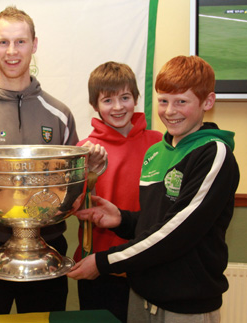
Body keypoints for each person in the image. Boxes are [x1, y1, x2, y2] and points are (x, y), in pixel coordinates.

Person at [0, 6, 106, 316]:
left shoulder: (59, 114)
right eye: (3, 42)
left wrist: (92, 170)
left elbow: (72, 185)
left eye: (20, 42)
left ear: (34, 45)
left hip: (48, 247)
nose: (12, 52)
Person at [67, 55, 240, 323]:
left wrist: (104, 262)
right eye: (164, 101)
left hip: (184, 303)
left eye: (181, 101)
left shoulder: (213, 152)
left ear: (207, 102)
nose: (171, 111)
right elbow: (154, 220)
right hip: (143, 294)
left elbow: (176, 232)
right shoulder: (157, 152)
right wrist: (121, 219)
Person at [73, 62, 162, 322]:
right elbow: (74, 208)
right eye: (108, 100)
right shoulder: (84, 150)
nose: (118, 107)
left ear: (135, 98)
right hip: (99, 270)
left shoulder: (158, 143)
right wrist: (90, 174)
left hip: (146, 266)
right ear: (94, 105)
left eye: (125, 97)